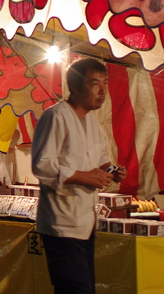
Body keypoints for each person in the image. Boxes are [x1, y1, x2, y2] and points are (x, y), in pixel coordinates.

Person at [32, 58, 127, 294]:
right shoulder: (55, 116)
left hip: (85, 221)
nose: (102, 90)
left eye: (104, 83)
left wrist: (112, 170)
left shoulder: (92, 121)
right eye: (95, 83)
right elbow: (42, 165)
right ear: (74, 87)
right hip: (61, 223)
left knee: (80, 289)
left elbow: (99, 158)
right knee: (77, 289)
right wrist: (84, 177)